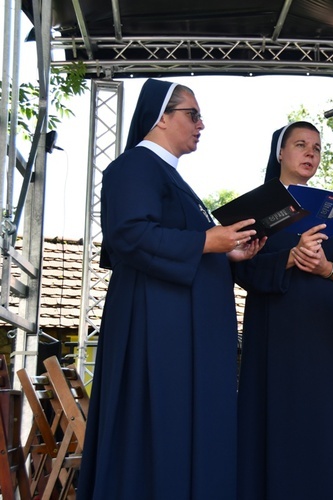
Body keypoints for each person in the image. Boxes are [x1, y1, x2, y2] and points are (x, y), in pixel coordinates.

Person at [77, 78, 265, 499]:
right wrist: (205, 241)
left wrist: (226, 253)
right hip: (158, 332)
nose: (202, 124)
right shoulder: (135, 166)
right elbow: (130, 235)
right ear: (162, 117)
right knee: (157, 429)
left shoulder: (172, 178)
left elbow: (176, 242)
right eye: (193, 114)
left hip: (183, 334)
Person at [234, 121, 333, 500]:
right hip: (277, 330)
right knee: (279, 420)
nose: (310, 153)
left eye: (317, 148)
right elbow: (241, 268)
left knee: (327, 423)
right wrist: (290, 257)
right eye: (301, 145)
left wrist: (327, 267)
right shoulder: (258, 205)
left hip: (326, 331)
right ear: (280, 153)